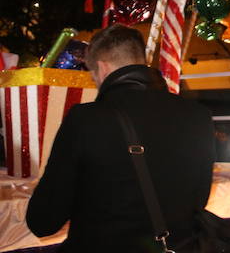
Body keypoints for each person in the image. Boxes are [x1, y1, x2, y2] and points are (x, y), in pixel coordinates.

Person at [26, 24, 216, 251]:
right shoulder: (198, 115)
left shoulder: (86, 119)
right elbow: (198, 200)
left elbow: (43, 221)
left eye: (92, 74)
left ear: (102, 68)